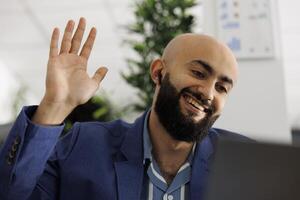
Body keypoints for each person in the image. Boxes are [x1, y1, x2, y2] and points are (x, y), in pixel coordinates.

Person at [0, 18, 251, 200]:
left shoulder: (244, 162)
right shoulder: (85, 145)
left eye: (222, 88)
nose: (208, 93)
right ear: (158, 72)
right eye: (198, 73)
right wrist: (54, 106)